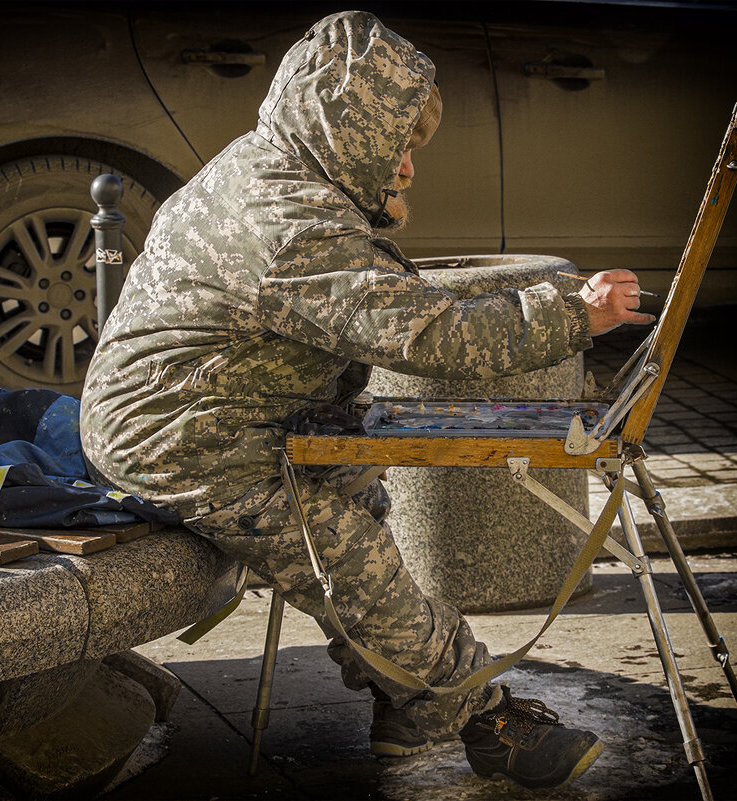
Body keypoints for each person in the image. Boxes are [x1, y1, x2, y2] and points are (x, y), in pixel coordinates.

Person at [80, 11, 654, 791]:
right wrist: (573, 314)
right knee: (349, 562)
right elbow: (427, 336)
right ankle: (487, 718)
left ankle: (408, 707)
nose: (410, 168)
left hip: (241, 410)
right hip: (184, 436)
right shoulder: (286, 222)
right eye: (400, 145)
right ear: (348, 133)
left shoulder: (282, 169)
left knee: (364, 515)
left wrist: (555, 300)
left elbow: (387, 301)